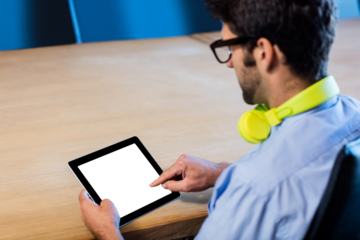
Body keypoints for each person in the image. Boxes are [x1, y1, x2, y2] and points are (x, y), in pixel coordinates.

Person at [78, 0, 360, 239]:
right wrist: (223, 173)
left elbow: (266, 187)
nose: (229, 62)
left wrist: (108, 232)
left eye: (231, 48)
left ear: (264, 52)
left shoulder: (253, 191)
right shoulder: (354, 116)